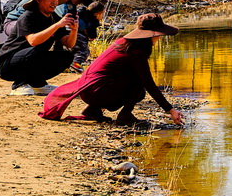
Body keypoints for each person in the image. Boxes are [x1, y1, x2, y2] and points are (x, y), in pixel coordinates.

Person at [40, 14, 183, 127]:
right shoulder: (135, 53)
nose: (159, 38)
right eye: (158, 34)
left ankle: (93, 111)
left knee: (135, 79)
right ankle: (125, 115)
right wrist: (170, 110)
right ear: (152, 35)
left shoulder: (123, 43)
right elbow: (149, 83)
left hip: (90, 90)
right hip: (96, 92)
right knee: (139, 80)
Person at [0, 0, 80, 94]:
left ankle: (37, 83)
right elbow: (33, 41)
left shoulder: (54, 17)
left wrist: (74, 30)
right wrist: (57, 25)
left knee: (66, 56)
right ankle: (19, 84)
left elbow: (69, 44)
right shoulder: (28, 16)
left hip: (31, 56)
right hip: (7, 64)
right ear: (38, 0)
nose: (54, 2)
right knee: (36, 52)